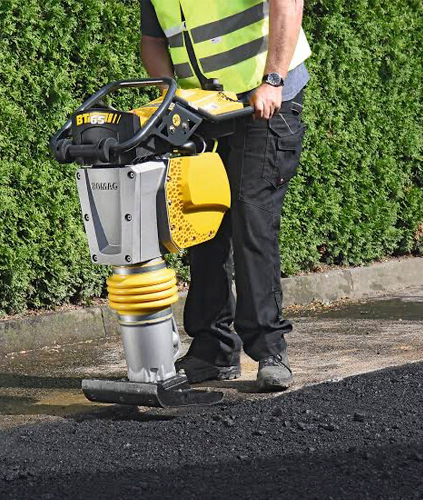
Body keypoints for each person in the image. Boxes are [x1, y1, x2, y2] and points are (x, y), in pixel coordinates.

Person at [140, 0, 311, 391]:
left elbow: (288, 5)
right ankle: (212, 350)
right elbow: (152, 41)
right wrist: (173, 98)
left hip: (264, 99)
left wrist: (273, 80)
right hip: (204, 110)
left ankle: (269, 349)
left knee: (252, 218)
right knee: (203, 221)